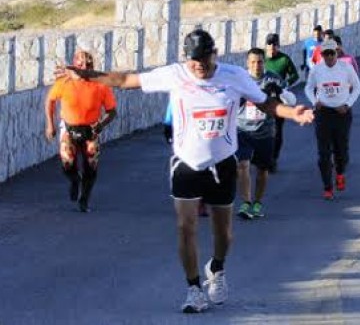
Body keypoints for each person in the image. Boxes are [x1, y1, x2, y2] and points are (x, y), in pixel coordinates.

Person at [57, 29, 314, 313]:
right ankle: (193, 289)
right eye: (193, 61)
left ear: (214, 54)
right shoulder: (175, 74)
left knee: (224, 233)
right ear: (185, 58)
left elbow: (264, 102)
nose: (199, 66)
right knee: (185, 226)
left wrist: (292, 113)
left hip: (222, 163)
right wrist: (88, 76)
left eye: (204, 59)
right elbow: (125, 80)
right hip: (186, 164)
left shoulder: (233, 76)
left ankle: (217, 268)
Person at [45, 49, 117, 213]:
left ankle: (84, 199)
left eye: (88, 64)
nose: (85, 67)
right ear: (74, 65)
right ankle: (74, 180)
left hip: (91, 130)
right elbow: (50, 100)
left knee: (91, 166)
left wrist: (101, 124)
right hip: (69, 128)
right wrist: (50, 125)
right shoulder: (64, 82)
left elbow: (112, 111)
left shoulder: (100, 84)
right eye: (81, 64)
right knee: (67, 162)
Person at [236, 48, 294, 220]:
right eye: (253, 62)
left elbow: (292, 101)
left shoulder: (273, 78)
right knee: (243, 165)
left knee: (262, 170)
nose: (256, 66)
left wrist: (279, 91)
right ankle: (246, 202)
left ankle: (257, 203)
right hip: (242, 129)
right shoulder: (240, 80)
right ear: (247, 63)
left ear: (264, 62)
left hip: (265, 131)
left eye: (260, 62)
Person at [304, 39, 360, 200]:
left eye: (332, 53)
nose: (329, 57)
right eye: (326, 53)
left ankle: (340, 173)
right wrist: (315, 102)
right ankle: (327, 187)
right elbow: (308, 88)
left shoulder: (346, 67)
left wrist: (348, 104)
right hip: (323, 113)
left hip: (342, 113)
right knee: (323, 152)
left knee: (341, 150)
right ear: (321, 54)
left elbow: (358, 87)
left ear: (337, 53)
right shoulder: (317, 69)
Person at [264, 33, 299, 169]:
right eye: (269, 47)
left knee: (277, 130)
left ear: (278, 47)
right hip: (263, 100)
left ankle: (274, 158)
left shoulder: (284, 59)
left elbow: (295, 75)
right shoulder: (262, 59)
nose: (272, 50)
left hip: (279, 100)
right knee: (262, 129)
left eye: (274, 47)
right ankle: (262, 156)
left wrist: (285, 83)